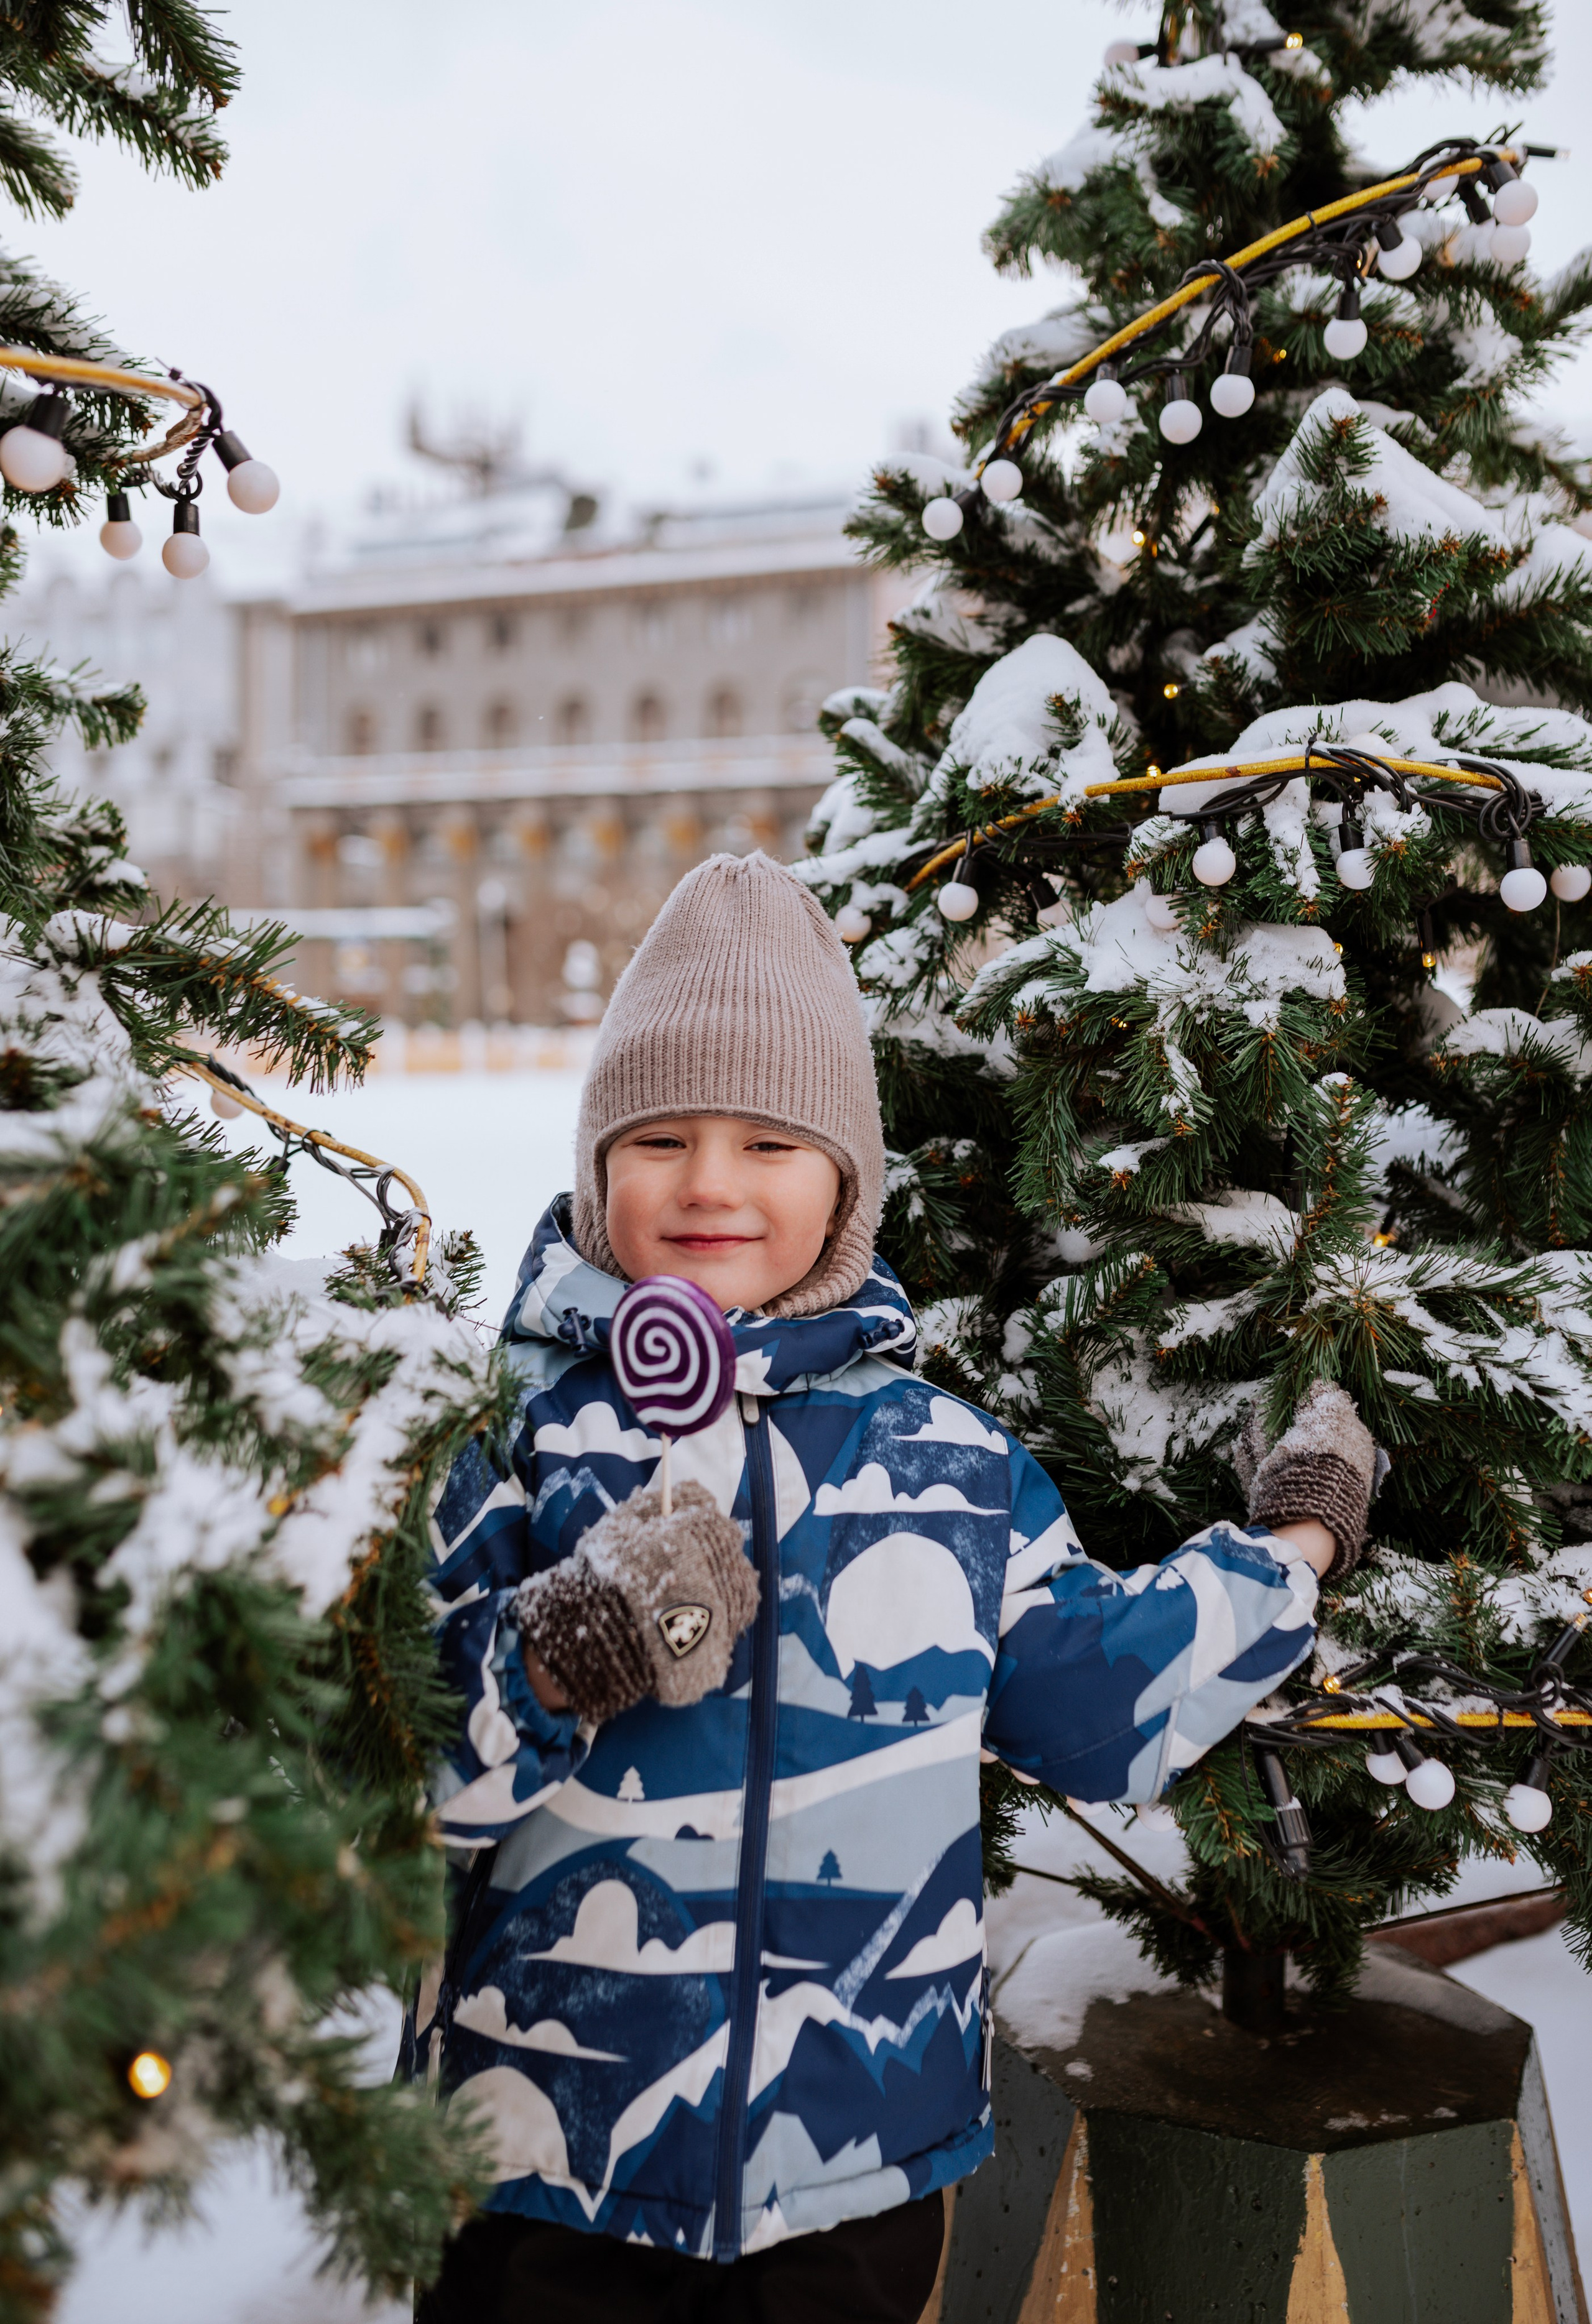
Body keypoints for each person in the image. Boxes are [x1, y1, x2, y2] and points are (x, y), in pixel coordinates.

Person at [410, 852, 1375, 2324]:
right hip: (538, 2167)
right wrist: (565, 1649)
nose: (709, 1183)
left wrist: (1295, 1543)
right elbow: (392, 1773)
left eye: (768, 1143)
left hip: (847, 2170)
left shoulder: (946, 1465)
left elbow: (1101, 1700)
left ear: (846, 1185)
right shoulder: (508, 1441)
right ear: (597, 1168)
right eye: (658, 1137)